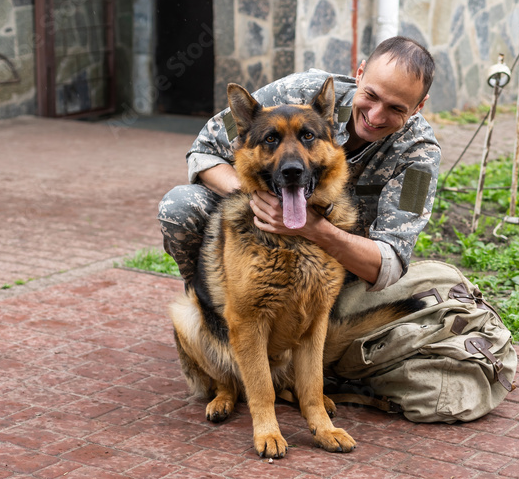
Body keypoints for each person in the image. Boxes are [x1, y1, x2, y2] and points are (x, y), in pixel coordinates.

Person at [158, 35, 440, 293]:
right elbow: (204, 150)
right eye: (371, 96)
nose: (376, 116)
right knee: (180, 206)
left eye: (396, 109)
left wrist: (313, 228)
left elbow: (388, 263)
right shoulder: (299, 92)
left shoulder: (419, 156)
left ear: (418, 106)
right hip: (262, 241)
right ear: (360, 74)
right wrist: (257, 195)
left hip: (340, 267)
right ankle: (212, 312)